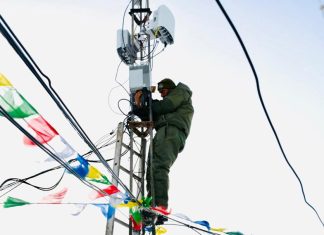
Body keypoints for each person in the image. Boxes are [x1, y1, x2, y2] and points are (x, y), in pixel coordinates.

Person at [133, 78, 194, 223]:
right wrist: (139, 104)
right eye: (160, 92)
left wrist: (149, 100)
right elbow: (152, 112)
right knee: (151, 171)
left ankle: (159, 208)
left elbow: (163, 106)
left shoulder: (181, 92)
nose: (161, 94)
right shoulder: (167, 104)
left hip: (171, 131)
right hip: (162, 132)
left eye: (163, 91)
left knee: (159, 167)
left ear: (171, 88)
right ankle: (152, 206)